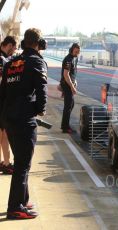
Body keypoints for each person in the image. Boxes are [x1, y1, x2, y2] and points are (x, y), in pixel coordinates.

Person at [0, 28, 48, 219]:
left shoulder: (10, 62)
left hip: (8, 118)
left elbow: (2, 93)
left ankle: (23, 199)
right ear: (37, 43)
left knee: (21, 161)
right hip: (24, 119)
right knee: (23, 164)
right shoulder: (36, 61)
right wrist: (37, 111)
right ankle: (15, 207)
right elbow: (42, 92)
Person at [0, 36, 17, 175]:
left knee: (3, 134)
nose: (15, 50)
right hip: (2, 103)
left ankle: (5, 162)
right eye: (14, 47)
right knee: (4, 134)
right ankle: (6, 163)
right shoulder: (2, 60)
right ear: (9, 45)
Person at [60, 43, 80, 133]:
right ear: (72, 50)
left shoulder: (75, 58)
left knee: (71, 105)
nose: (77, 53)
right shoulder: (68, 59)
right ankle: (65, 127)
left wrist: (75, 81)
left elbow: (73, 72)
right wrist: (72, 87)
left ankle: (65, 124)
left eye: (79, 52)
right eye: (76, 51)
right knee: (68, 106)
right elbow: (66, 74)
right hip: (67, 84)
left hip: (70, 83)